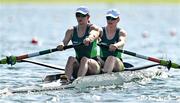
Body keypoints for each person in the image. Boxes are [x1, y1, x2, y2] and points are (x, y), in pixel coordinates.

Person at [57, 6, 100, 82]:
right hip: (79, 64)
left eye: (83, 15)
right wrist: (61, 45)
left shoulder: (93, 28)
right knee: (71, 58)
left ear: (88, 17)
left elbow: (94, 34)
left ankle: (78, 82)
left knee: (84, 59)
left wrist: (89, 39)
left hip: (94, 65)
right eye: (78, 15)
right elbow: (64, 41)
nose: (80, 17)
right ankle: (65, 81)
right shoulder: (71, 31)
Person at [99, 9, 127, 73]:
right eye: (108, 18)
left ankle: (105, 76)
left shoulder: (121, 32)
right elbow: (94, 35)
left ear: (118, 20)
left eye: (113, 18)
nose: (110, 20)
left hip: (117, 62)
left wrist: (116, 45)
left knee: (111, 57)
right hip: (103, 61)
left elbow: (122, 41)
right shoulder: (101, 31)